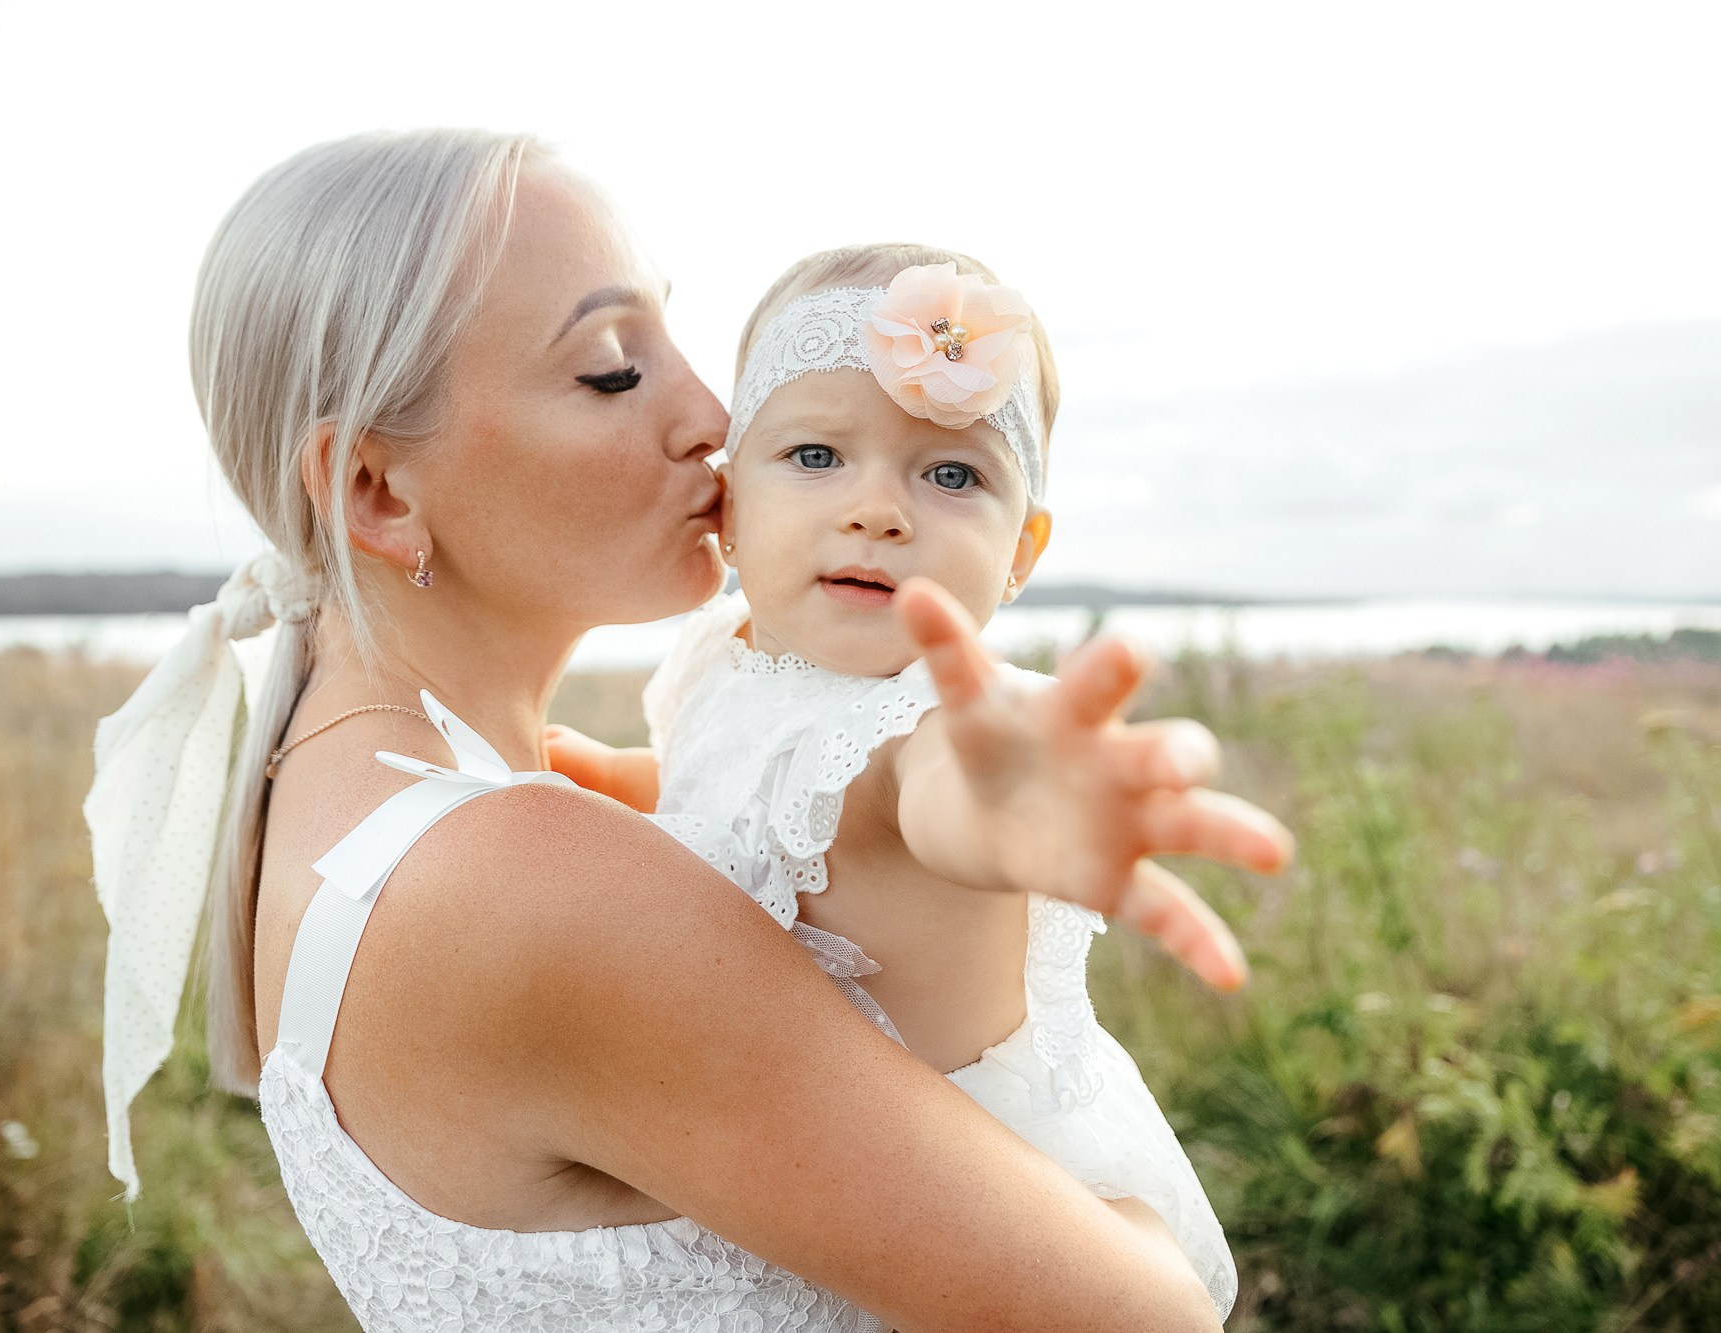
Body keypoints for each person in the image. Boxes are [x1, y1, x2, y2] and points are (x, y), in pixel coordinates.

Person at [84, 128, 1291, 1332]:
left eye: (673, 338)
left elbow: (823, 799)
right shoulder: (534, 879)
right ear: (377, 492)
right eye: (612, 370)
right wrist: (1129, 1230)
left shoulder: (329, 772)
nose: (712, 414)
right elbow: (1148, 1319)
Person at [553, 246, 1279, 1319]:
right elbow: (725, 806)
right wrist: (581, 775)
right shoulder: (731, 658)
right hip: (802, 1175)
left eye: (951, 475)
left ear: (1021, 550)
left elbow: (931, 801)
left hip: (965, 1215)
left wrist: (1022, 809)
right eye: (812, 455)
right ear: (727, 504)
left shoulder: (941, 722)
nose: (878, 511)